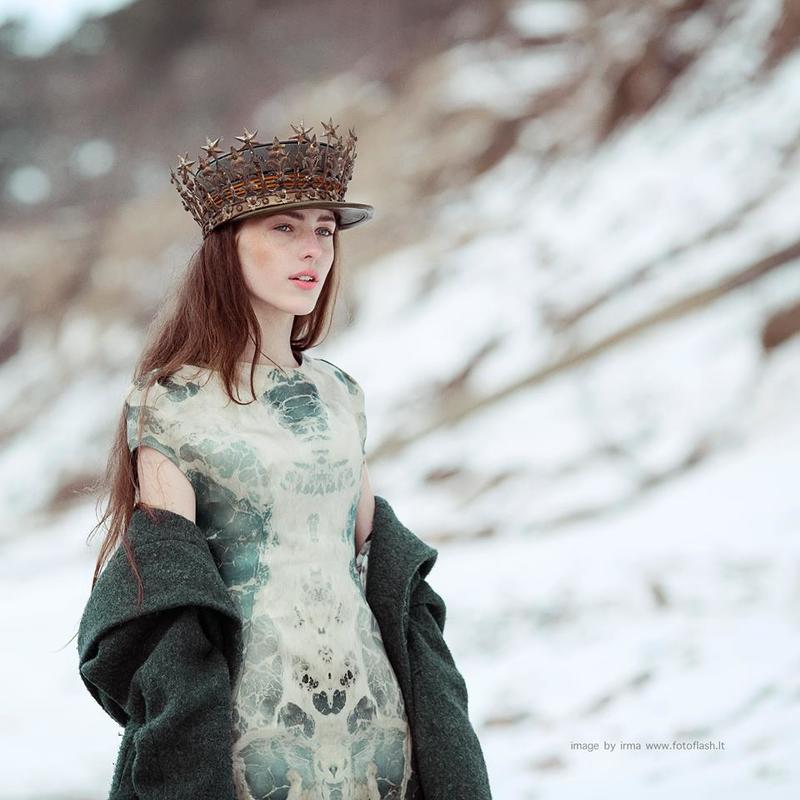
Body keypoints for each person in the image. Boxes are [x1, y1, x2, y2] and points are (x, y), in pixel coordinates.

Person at [78, 119, 493, 800]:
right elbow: (163, 592)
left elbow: (372, 561)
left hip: (379, 724)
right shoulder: (170, 401)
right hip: (249, 735)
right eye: (284, 228)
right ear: (225, 248)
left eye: (325, 229)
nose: (314, 251)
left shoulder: (339, 394)